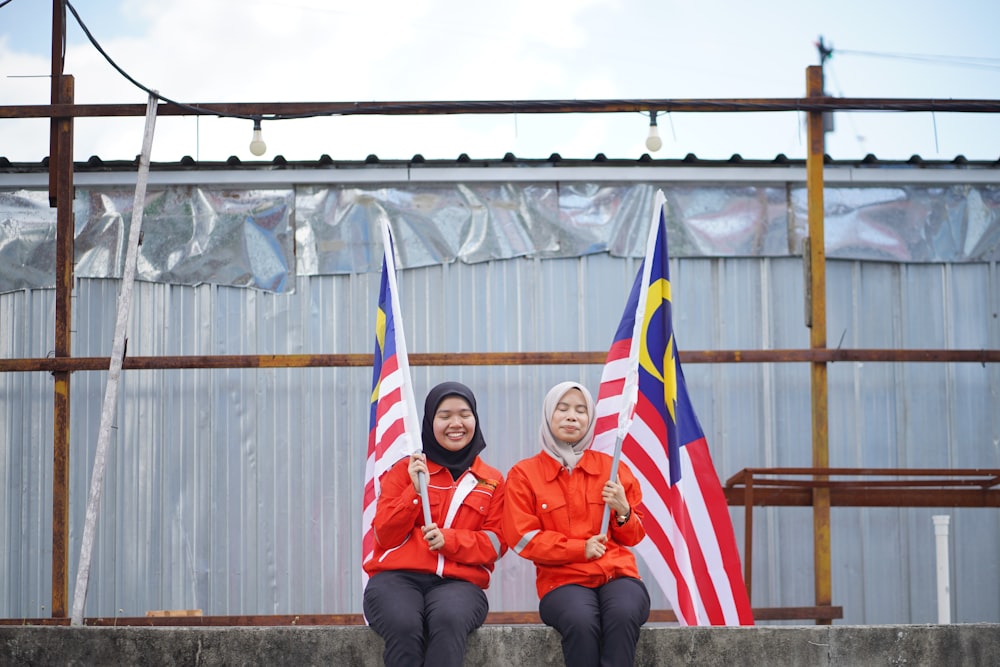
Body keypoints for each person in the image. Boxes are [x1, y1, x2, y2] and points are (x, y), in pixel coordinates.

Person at [502, 381, 650, 667]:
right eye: (563, 408)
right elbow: (522, 538)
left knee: (622, 614)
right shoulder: (524, 474)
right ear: (548, 415)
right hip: (562, 582)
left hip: (617, 576)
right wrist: (579, 549)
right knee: (582, 621)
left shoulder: (612, 468)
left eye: (581, 410)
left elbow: (635, 535)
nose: (572, 416)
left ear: (590, 420)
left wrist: (623, 510)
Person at [363, 381, 507, 667]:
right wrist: (414, 492)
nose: (456, 423)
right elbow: (385, 535)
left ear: (475, 419)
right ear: (429, 422)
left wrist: (450, 540)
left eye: (464, 414)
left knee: (448, 619)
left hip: (460, 582)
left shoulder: (491, 480)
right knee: (404, 624)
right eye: (445, 415)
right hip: (396, 578)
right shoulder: (406, 471)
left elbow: (496, 544)